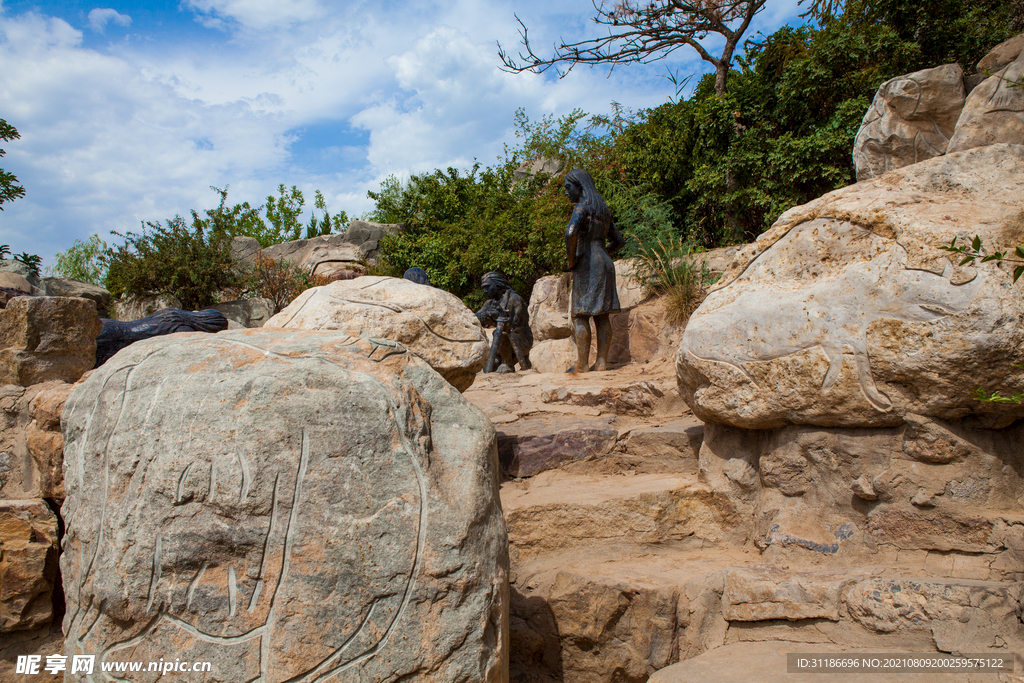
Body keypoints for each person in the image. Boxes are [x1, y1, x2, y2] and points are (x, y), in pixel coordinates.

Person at [564, 168, 625, 372]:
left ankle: (581, 364)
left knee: (580, 315)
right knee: (602, 315)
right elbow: (619, 241)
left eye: (568, 187)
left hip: (588, 263)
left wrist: (571, 260)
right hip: (605, 262)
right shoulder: (603, 210)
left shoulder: (582, 208)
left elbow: (570, 232)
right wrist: (604, 254)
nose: (566, 192)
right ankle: (601, 363)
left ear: (579, 187)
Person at [475, 271, 533, 373]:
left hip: (520, 340)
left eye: (488, 287)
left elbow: (512, 323)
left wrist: (493, 316)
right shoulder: (490, 303)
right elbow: (475, 317)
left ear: (498, 285)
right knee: (490, 367)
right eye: (483, 287)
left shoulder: (514, 299)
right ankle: (501, 359)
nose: (485, 290)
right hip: (501, 344)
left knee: (502, 334)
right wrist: (486, 315)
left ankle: (507, 363)